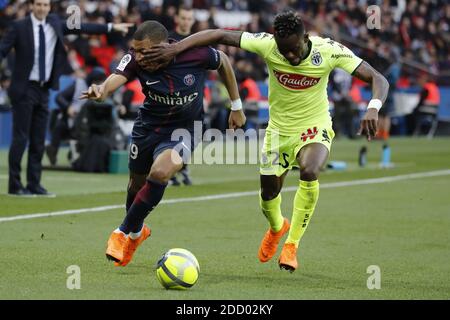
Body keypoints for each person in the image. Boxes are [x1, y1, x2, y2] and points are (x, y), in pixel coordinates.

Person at [145, 10, 389, 272]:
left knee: (309, 170)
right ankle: (277, 227)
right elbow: (217, 34)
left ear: (305, 38)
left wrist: (373, 107)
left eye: (294, 50)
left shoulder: (328, 50)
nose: (290, 57)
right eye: (285, 53)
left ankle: (291, 245)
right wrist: (175, 50)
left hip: (314, 126)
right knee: (269, 193)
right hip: (278, 132)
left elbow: (378, 78)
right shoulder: (268, 44)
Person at [81, 21, 246, 267]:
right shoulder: (136, 59)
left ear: (161, 46)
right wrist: (101, 90)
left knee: (160, 172)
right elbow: (114, 79)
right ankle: (137, 234)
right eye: (134, 50)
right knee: (136, 184)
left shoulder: (194, 54)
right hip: (147, 127)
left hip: (185, 129)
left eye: (142, 50)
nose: (137, 55)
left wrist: (236, 106)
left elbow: (222, 59)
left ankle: (122, 232)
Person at [0, 0, 133, 196]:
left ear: (49, 7)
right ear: (31, 6)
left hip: (44, 90)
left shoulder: (55, 23)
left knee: (38, 140)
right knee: (21, 138)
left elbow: (82, 27)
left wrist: (111, 27)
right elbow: (2, 50)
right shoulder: (19, 27)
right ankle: (15, 185)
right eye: (38, 4)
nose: (42, 8)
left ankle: (34, 184)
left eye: (45, 5)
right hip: (24, 89)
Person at [46, 68, 107, 166]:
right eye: (98, 81)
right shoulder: (79, 85)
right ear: (92, 80)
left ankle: (78, 155)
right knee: (60, 125)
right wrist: (68, 107)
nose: (100, 83)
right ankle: (53, 151)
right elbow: (59, 97)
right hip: (72, 121)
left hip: (89, 124)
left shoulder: (101, 90)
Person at [168, 5, 196, 186]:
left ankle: (182, 167)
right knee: (170, 135)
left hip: (194, 95)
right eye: (183, 18)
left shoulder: (198, 40)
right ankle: (170, 171)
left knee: (193, 135)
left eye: (189, 18)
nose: (186, 21)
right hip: (171, 94)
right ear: (177, 18)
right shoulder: (168, 39)